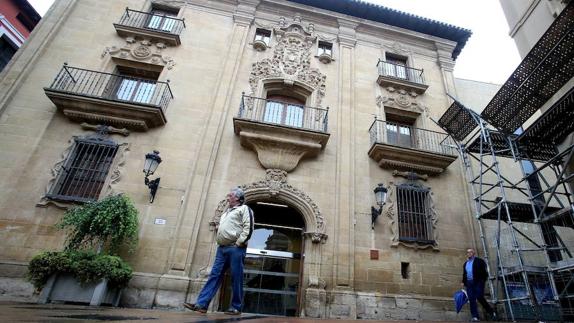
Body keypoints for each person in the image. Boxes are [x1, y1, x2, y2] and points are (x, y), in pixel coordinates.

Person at [183, 187, 254, 315]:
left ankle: (236, 307)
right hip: (222, 249)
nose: (228, 197)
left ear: (237, 198)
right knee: (214, 275)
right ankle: (202, 304)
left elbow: (248, 228)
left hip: (235, 248)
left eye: (230, 195)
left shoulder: (244, 209)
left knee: (236, 277)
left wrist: (239, 243)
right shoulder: (226, 212)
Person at [462, 248, 497, 321]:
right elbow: (465, 273)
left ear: (473, 253)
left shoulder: (479, 261)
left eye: (470, 252)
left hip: (478, 282)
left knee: (479, 296)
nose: (468, 253)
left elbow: (484, 272)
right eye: (467, 252)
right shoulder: (466, 263)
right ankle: (475, 317)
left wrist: (482, 280)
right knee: (471, 299)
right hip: (469, 283)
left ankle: (491, 312)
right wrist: (463, 281)